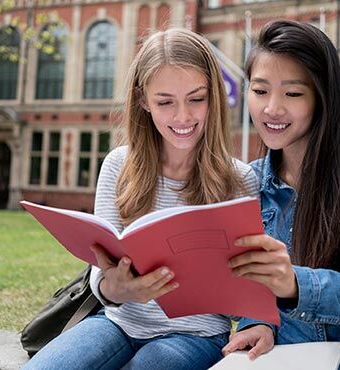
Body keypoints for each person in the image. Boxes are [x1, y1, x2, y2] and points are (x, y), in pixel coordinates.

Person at [23, 27, 260, 370]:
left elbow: (247, 294)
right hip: (118, 323)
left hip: (197, 336)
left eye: (197, 98)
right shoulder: (118, 166)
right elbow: (99, 278)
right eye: (165, 102)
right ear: (143, 101)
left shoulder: (239, 180)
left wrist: (241, 301)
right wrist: (117, 288)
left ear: (215, 97)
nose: (183, 117)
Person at [222, 20, 340, 369]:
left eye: (292, 94)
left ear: (322, 97)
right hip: (279, 358)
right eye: (260, 91)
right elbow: (254, 292)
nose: (271, 109)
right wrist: (257, 322)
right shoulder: (248, 180)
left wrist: (294, 282)